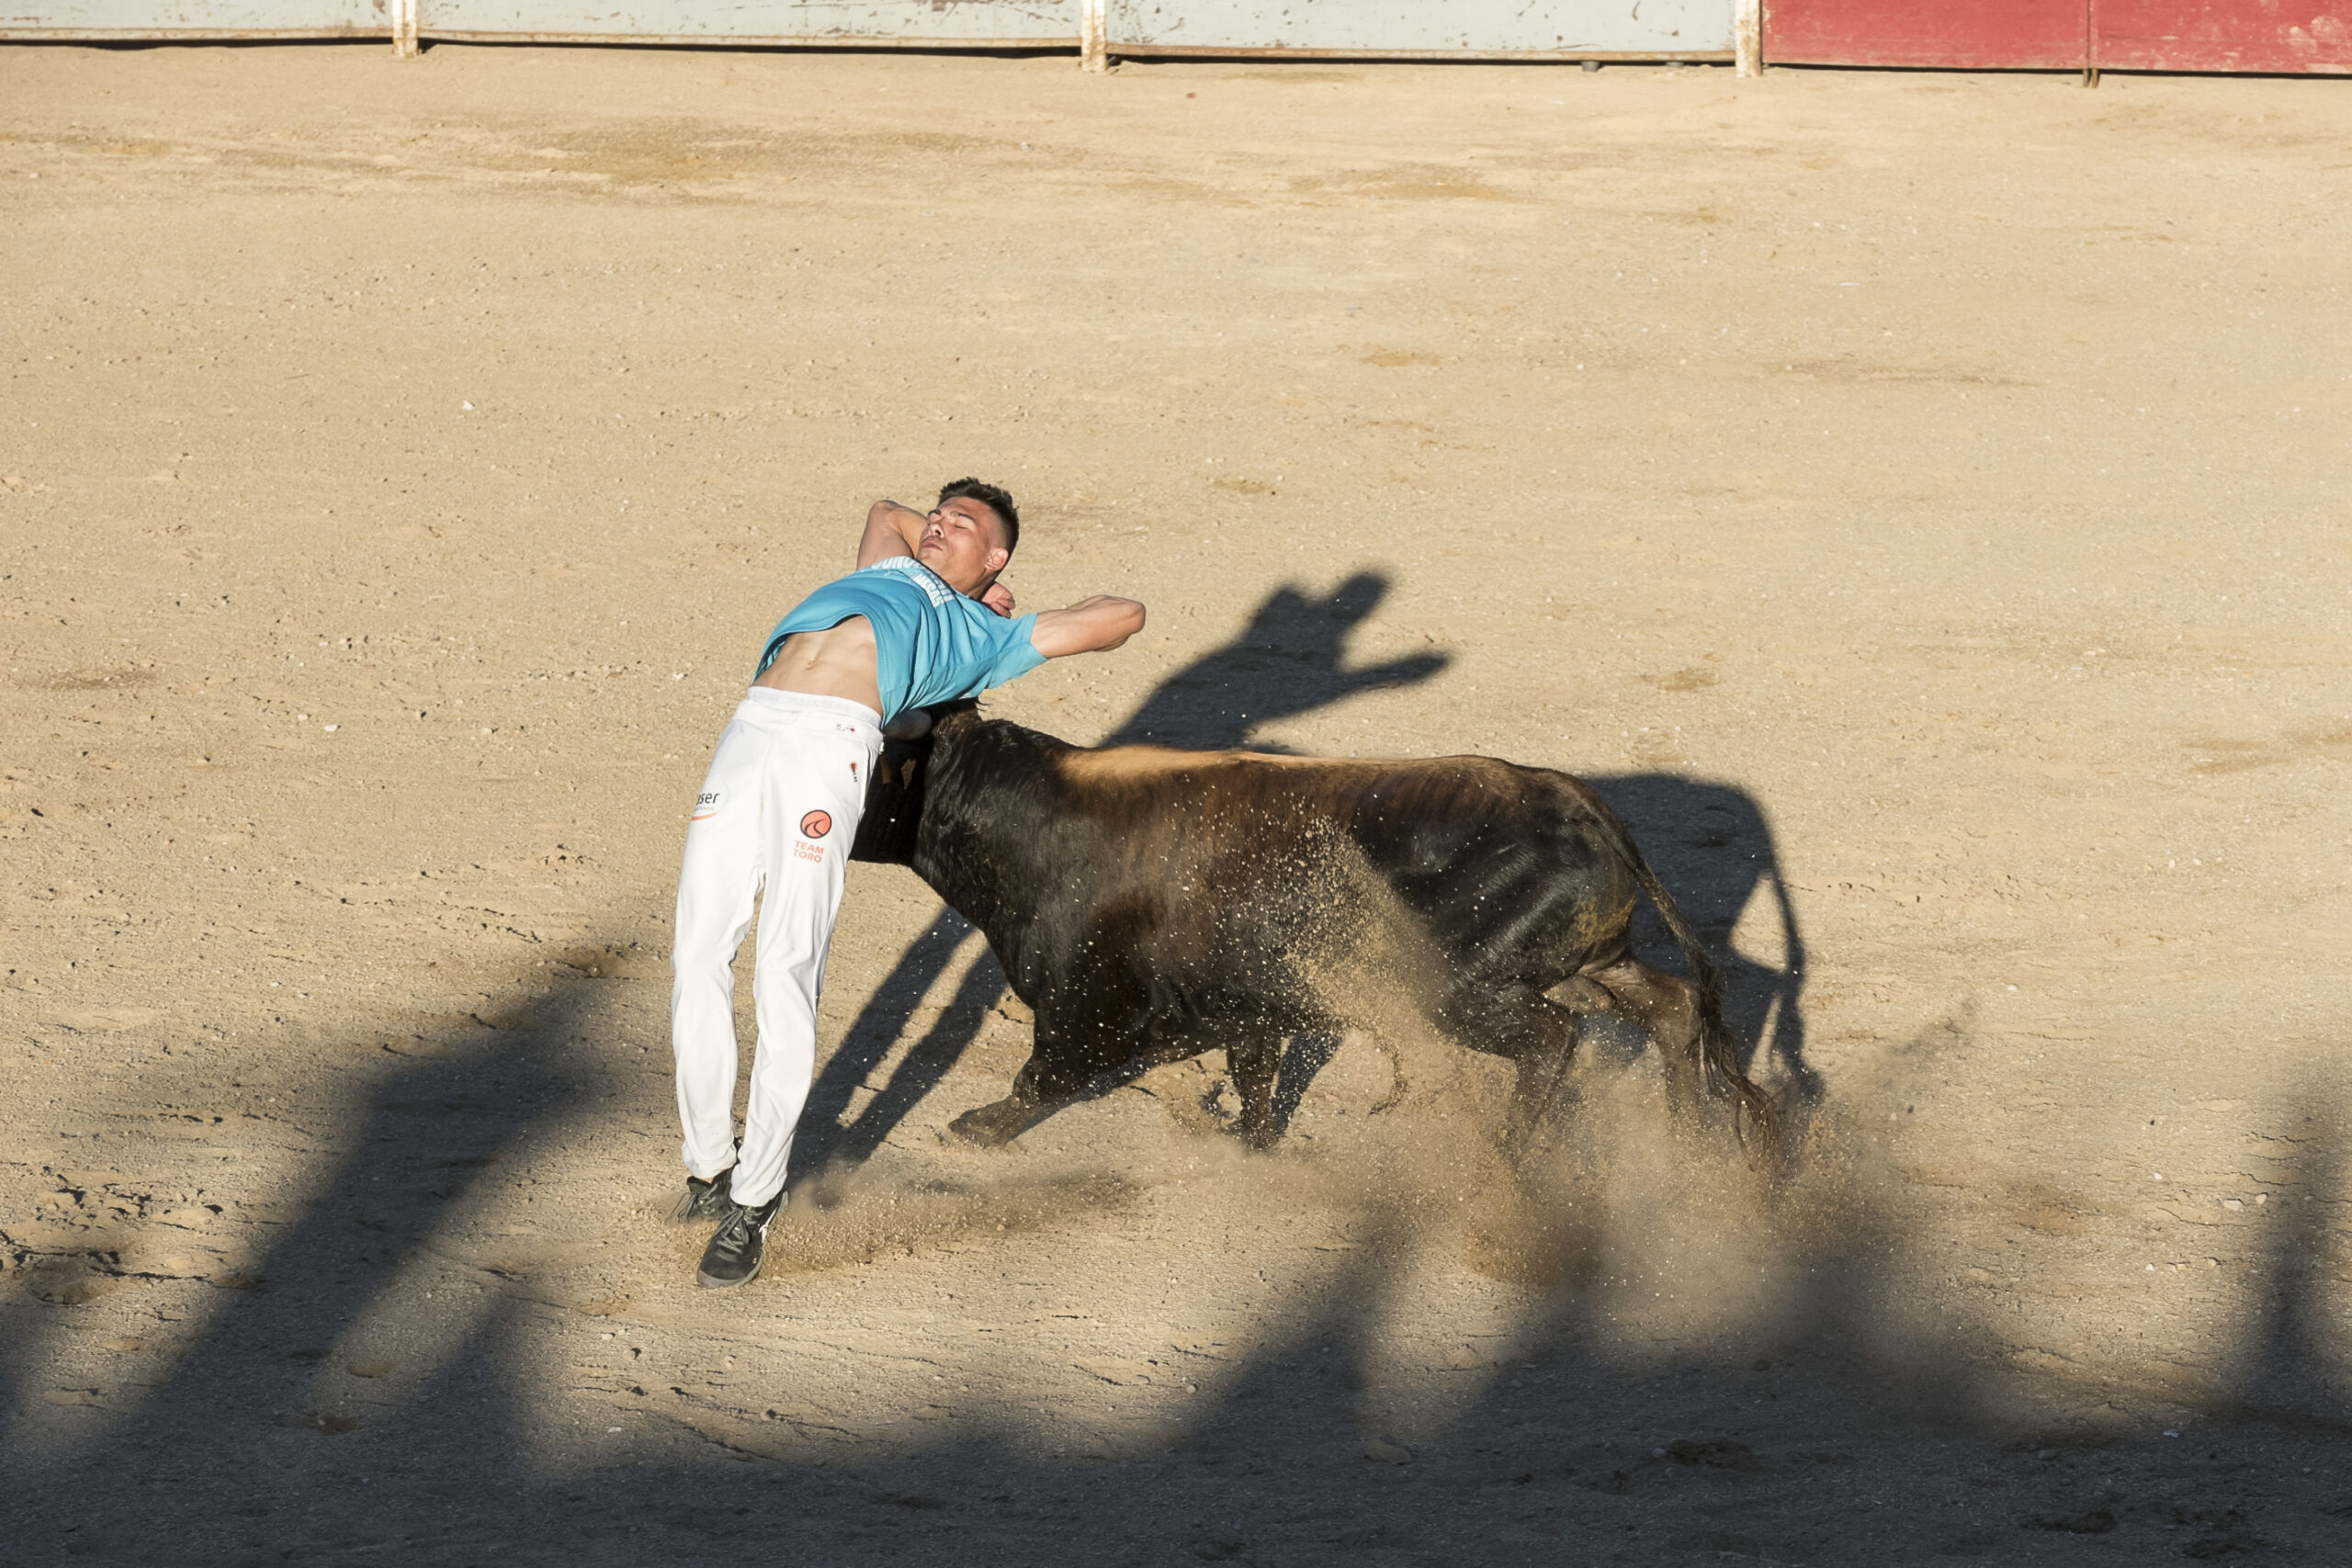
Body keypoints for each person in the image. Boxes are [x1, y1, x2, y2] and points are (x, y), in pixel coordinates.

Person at [671, 478, 1145, 1289]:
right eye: (937, 514)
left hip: (831, 746)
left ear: (995, 555)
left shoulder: (987, 635)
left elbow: (1124, 614)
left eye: (961, 523)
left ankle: (755, 1200)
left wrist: (995, 602)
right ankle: (709, 1166)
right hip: (752, 727)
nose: (936, 524)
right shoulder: (892, 567)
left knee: (784, 968)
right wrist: (953, 558)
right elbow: (885, 510)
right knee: (695, 958)